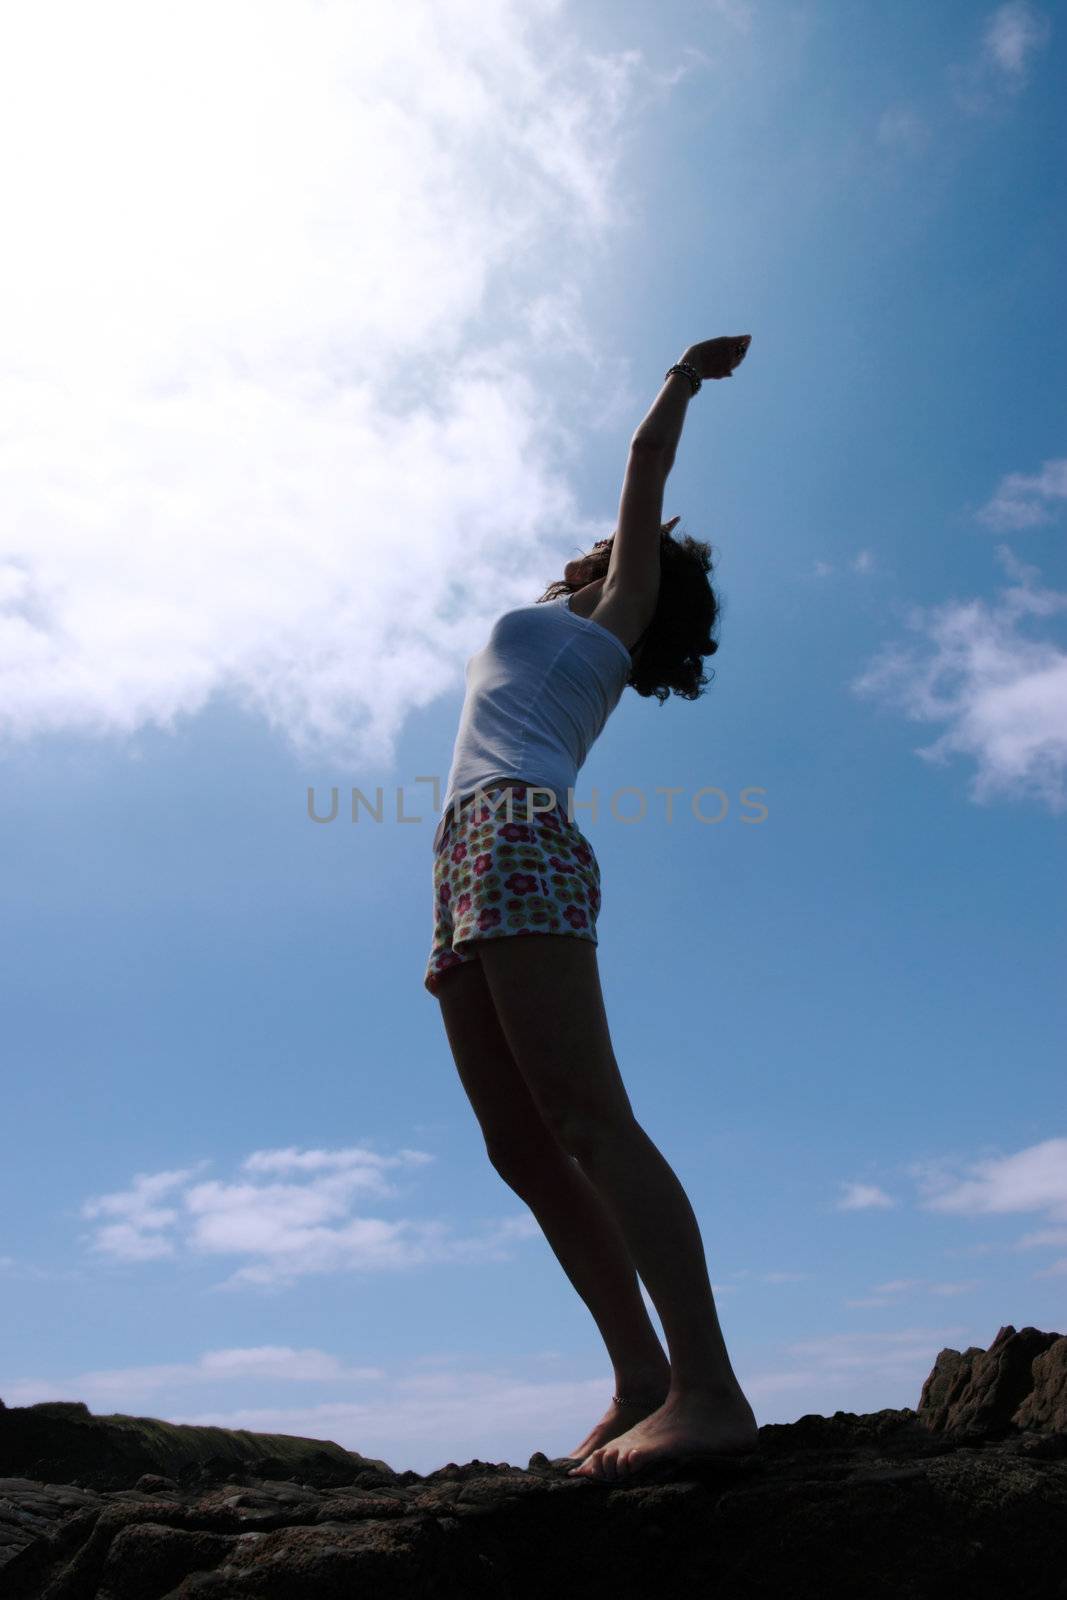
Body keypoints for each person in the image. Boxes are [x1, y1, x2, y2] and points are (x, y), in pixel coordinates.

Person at [425, 335, 759, 1485]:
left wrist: (678, 378)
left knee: (587, 1119)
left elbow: (641, 468)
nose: (589, 548)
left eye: (615, 550)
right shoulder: (561, 619)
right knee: (519, 1145)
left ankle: (709, 1388)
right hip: (462, 853)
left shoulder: (609, 617)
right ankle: (640, 1378)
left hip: (517, 830)